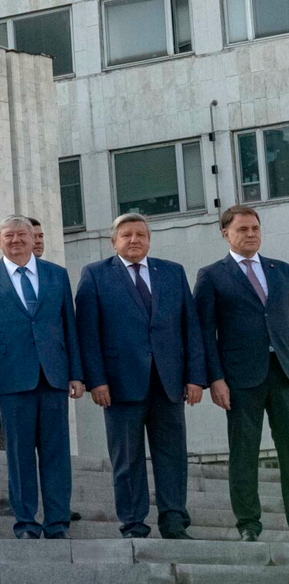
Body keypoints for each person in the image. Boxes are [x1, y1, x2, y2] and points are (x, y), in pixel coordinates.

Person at [76, 212, 204, 539]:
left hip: (169, 382)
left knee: (173, 457)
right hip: (119, 384)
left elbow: (190, 327)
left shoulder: (172, 272)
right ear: (113, 242)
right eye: (126, 235)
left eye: (140, 234)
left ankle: (174, 522)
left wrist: (195, 377)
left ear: (149, 240)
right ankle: (133, 524)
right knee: (127, 459)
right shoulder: (95, 275)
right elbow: (87, 334)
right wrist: (96, 381)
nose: (134, 240)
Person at [0, 214, 84, 539]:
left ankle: (58, 523)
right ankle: (26, 524)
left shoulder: (56, 275)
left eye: (22, 234)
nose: (16, 240)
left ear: (34, 238)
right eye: (9, 235)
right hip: (11, 378)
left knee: (56, 455)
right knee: (19, 456)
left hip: (54, 376)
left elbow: (70, 326)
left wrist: (76, 373)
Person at [193, 203, 289, 542]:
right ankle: (248, 523)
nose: (251, 234)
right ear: (226, 234)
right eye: (242, 229)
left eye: (255, 229)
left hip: (284, 373)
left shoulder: (281, 270)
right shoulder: (211, 275)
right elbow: (204, 332)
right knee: (244, 452)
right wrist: (215, 378)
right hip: (240, 378)